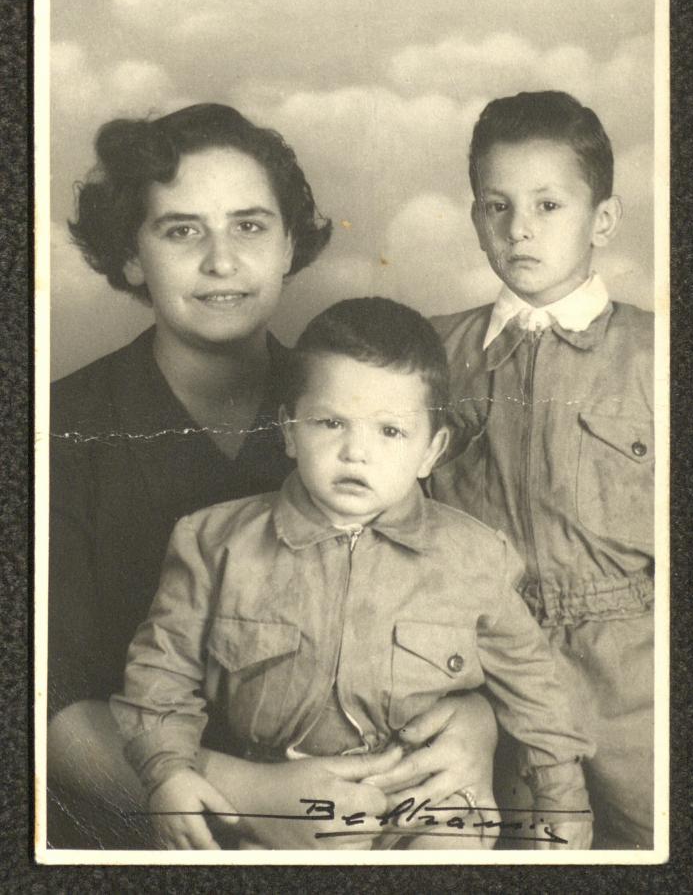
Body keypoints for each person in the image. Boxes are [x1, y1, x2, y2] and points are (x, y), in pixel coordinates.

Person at [47, 103, 498, 850]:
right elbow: (40, 700)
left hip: (370, 822)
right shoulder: (56, 428)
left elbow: (453, 593)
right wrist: (252, 795)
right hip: (140, 828)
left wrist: (476, 726)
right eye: (182, 230)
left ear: (291, 244)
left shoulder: (367, 404)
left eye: (250, 226)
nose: (222, 261)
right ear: (131, 257)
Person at [110, 297, 594, 851]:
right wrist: (167, 772)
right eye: (330, 422)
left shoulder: (475, 557)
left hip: (431, 794)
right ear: (289, 431)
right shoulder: (214, 543)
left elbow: (535, 685)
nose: (355, 452)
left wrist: (562, 793)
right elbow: (159, 672)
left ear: (431, 451)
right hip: (287, 799)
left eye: (390, 432)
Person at [429, 91, 654, 850]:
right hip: (489, 670)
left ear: (603, 221)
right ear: (475, 218)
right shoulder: (434, 355)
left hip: (635, 677)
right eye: (497, 205)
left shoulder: (658, 354)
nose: (519, 227)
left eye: (549, 204)